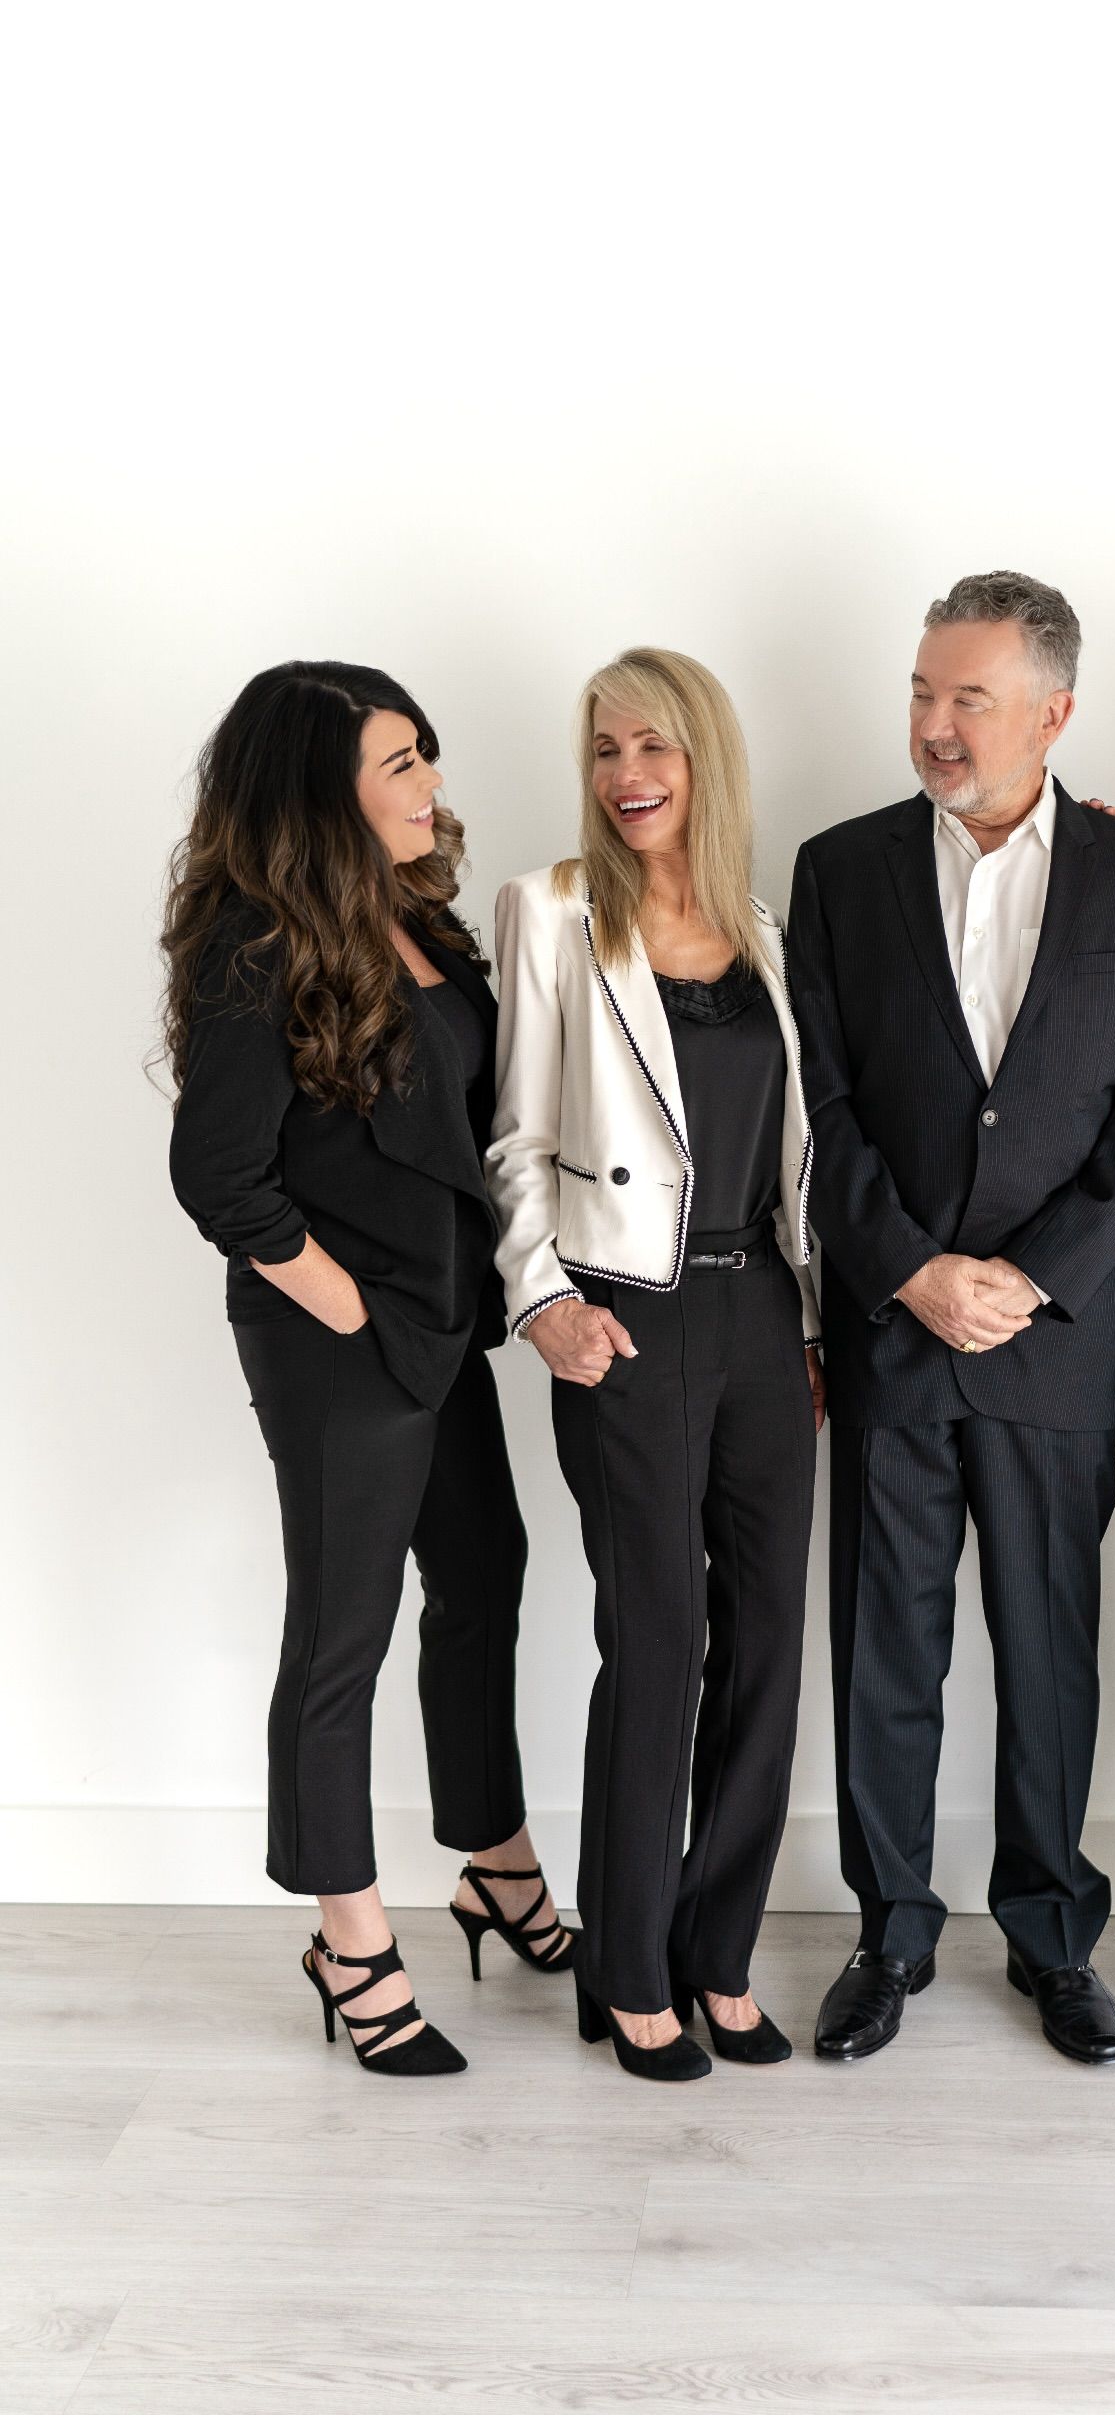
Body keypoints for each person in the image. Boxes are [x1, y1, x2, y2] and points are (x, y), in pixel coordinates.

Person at [787, 572, 1115, 2066]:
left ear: (1053, 712)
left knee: (1049, 1654)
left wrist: (1029, 1277)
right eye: (922, 691)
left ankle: (1053, 1939)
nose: (936, 724)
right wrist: (912, 1271)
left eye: (970, 697)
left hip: (1054, 1344)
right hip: (893, 1333)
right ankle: (890, 1933)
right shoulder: (837, 871)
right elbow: (820, 1104)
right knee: (884, 1655)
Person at [165, 661, 574, 2079]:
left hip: (437, 1320)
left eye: (426, 756)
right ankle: (350, 1941)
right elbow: (218, 1173)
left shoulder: (417, 919)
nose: (432, 783)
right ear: (319, 789)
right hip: (337, 1338)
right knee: (344, 1631)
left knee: (485, 1572)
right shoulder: (257, 940)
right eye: (403, 762)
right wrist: (349, 1307)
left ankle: (494, 1862)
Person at [487, 647, 823, 2084]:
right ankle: (627, 1969)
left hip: (765, 1316)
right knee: (660, 1643)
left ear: (707, 760)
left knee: (767, 1644)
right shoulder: (554, 911)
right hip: (627, 1318)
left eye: (654, 747)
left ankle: (718, 1954)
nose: (627, 775)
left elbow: (795, 1152)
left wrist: (812, 1330)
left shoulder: (763, 928)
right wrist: (540, 1301)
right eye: (606, 749)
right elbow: (513, 1136)